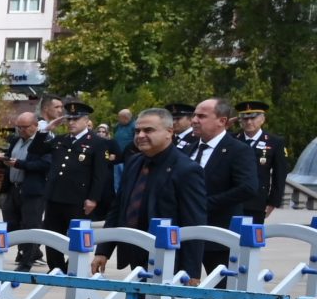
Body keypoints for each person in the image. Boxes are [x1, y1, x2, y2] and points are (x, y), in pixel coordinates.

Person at [101, 108, 207, 272]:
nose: (140, 135)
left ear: (169, 132)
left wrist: (191, 270)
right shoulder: (134, 162)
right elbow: (119, 207)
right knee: (138, 298)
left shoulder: (186, 169)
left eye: (148, 130)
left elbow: (194, 222)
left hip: (169, 258)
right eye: (137, 131)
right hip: (134, 252)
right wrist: (103, 250)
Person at [38, 101, 113, 267]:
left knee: (77, 236)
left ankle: (74, 266)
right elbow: (35, 151)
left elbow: (100, 174)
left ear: (86, 121)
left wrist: (93, 198)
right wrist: (45, 130)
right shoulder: (60, 139)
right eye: (69, 119)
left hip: (78, 198)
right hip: (55, 195)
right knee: (52, 235)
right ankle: (56, 268)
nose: (71, 123)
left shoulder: (97, 142)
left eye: (76, 119)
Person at [188, 98, 260, 233]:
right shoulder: (188, 149)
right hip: (186, 230)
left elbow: (247, 188)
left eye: (201, 116)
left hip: (219, 231)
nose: (194, 120)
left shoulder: (238, 150)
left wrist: (204, 204)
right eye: (194, 115)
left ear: (221, 121)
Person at [2, 108, 53, 267]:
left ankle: (27, 260)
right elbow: (11, 161)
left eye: (24, 127)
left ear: (35, 126)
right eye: (18, 127)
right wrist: (2, 159)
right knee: (12, 223)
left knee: (30, 224)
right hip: (13, 187)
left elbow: (45, 164)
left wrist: (19, 164)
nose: (20, 130)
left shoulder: (44, 142)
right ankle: (27, 252)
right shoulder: (15, 140)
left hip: (32, 189)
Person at [236, 101, 287, 216]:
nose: (249, 122)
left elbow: (280, 174)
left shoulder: (274, 142)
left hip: (257, 201)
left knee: (252, 233)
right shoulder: (232, 139)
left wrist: (273, 202)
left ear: (262, 119)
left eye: (253, 118)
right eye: (245, 119)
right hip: (232, 200)